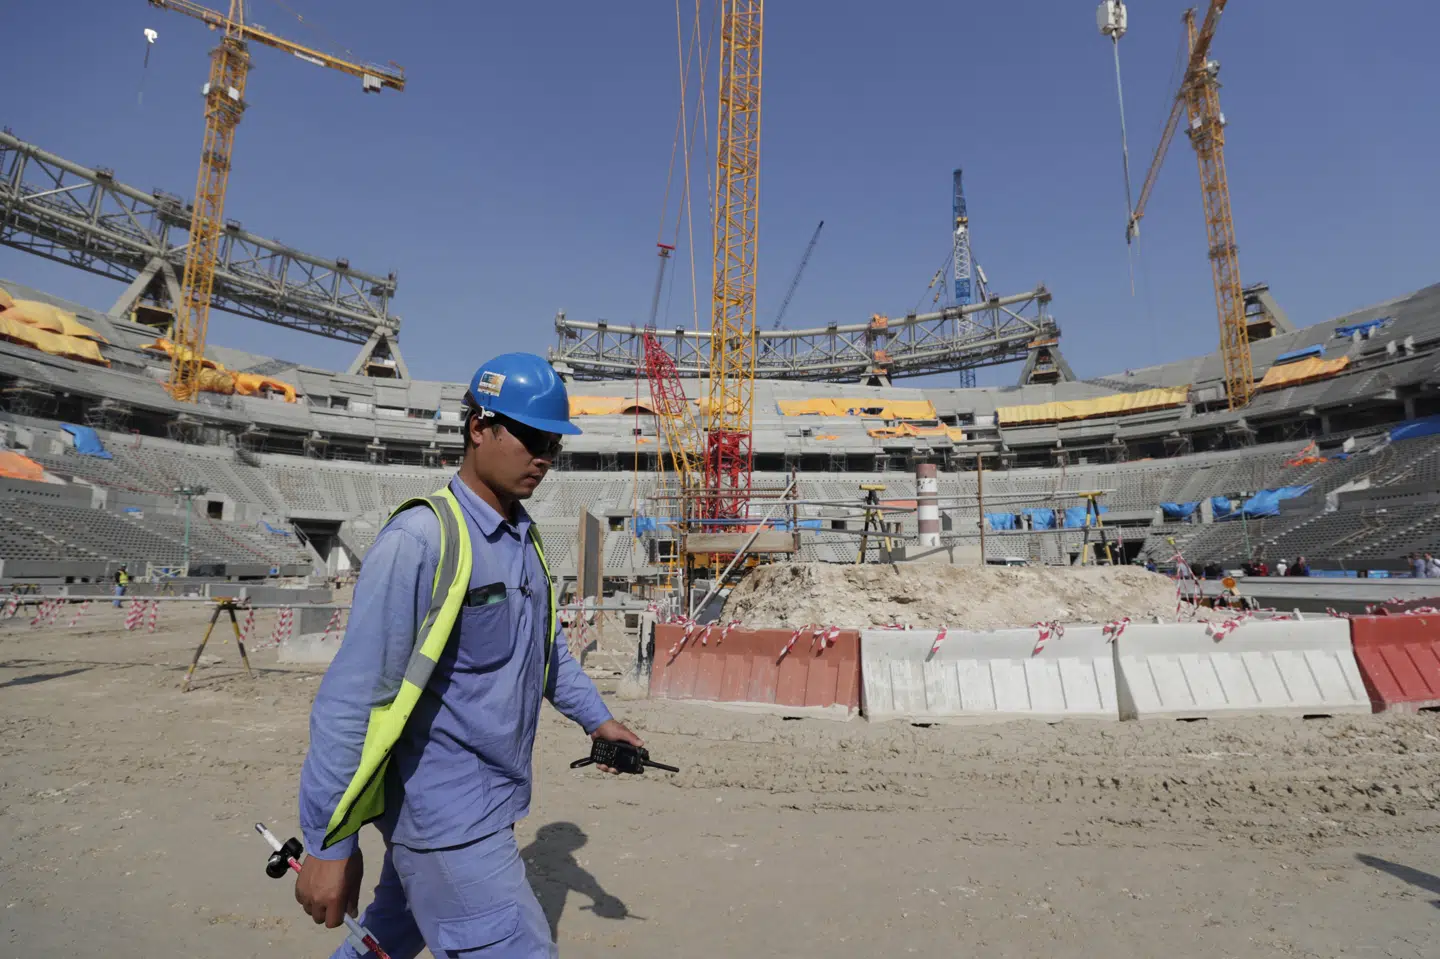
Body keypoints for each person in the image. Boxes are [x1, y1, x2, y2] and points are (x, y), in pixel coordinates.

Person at [295, 353, 642, 959]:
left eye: (554, 445)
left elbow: (545, 651)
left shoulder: (525, 541)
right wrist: (328, 844)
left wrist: (598, 719)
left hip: (488, 803)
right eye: (532, 438)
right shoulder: (421, 540)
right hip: (448, 818)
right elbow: (351, 701)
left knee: (386, 940)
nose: (544, 457)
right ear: (479, 427)